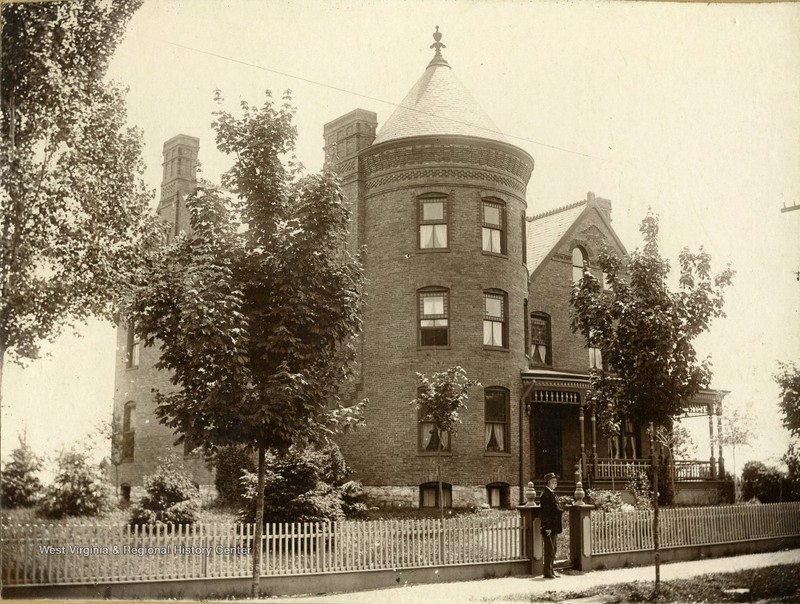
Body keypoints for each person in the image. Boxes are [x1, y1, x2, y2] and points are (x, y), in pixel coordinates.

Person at [540, 472, 563, 578]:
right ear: (548, 483)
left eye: (556, 482)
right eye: (553, 482)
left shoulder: (551, 493)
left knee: (554, 548)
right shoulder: (545, 494)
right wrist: (547, 527)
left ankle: (551, 570)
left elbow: (554, 508)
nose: (555, 483)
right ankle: (547, 572)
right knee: (549, 550)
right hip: (549, 527)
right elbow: (545, 512)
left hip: (554, 526)